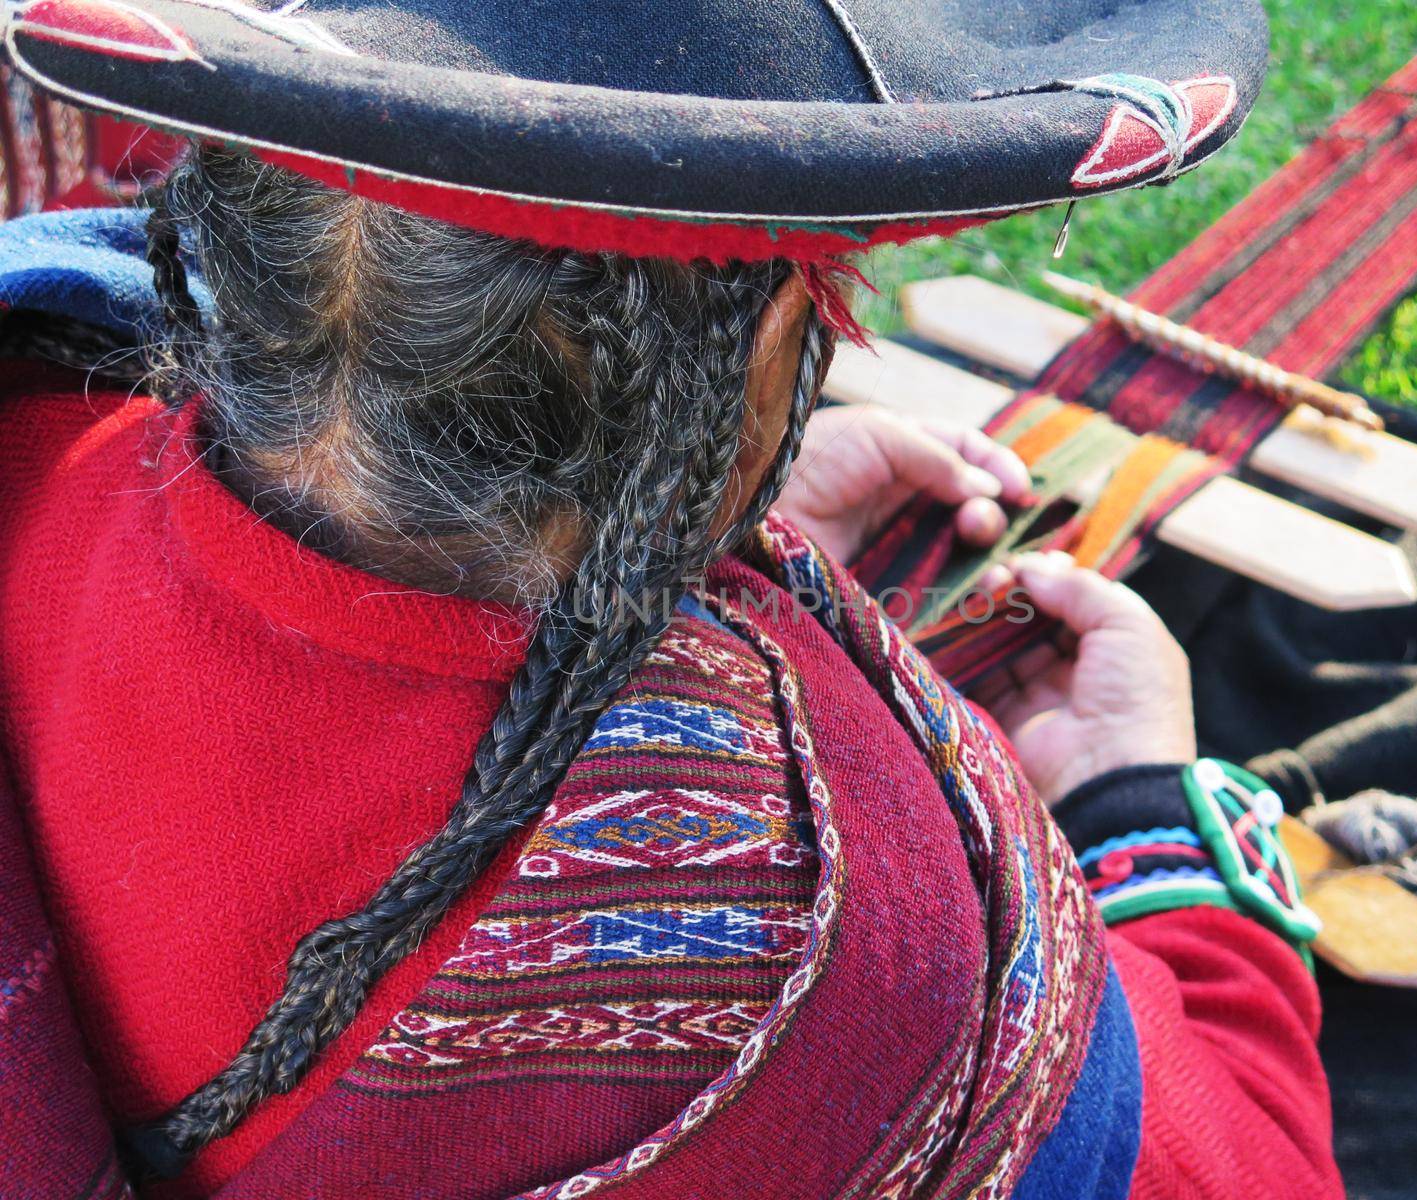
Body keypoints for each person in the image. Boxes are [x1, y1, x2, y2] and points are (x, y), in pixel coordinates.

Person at [0, 1, 1339, 1197]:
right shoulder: (815, 916)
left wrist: (661, 534)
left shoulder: (39, 427)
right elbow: (1251, 1173)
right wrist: (1142, 815)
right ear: (757, 342)